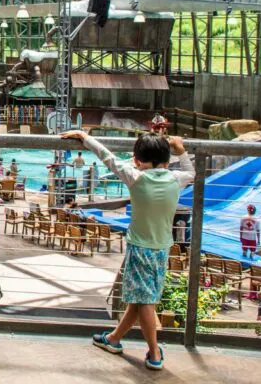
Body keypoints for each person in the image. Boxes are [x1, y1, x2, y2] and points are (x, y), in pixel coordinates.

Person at [62, 130, 193, 371]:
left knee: (144, 301)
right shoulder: (176, 179)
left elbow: (107, 156)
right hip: (163, 248)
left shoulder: (135, 177)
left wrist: (85, 137)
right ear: (166, 159)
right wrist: (181, 148)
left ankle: (154, 352)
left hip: (139, 248)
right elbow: (191, 171)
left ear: (137, 160)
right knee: (140, 298)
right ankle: (113, 339)